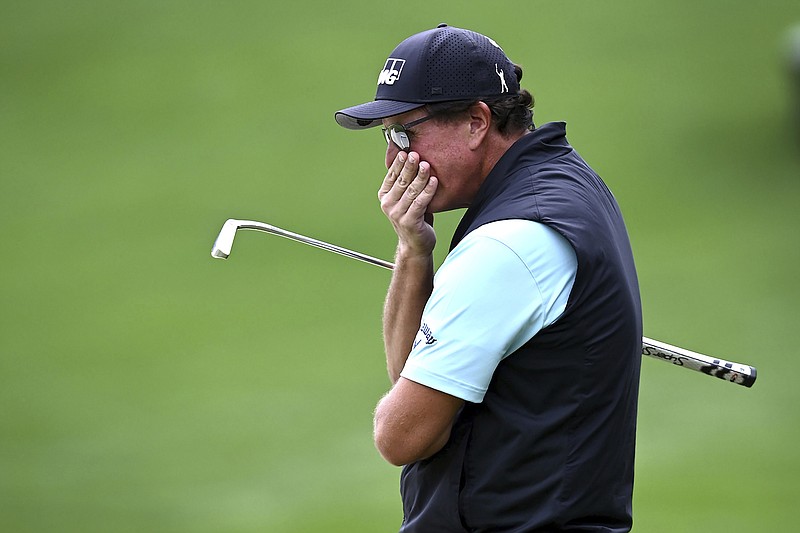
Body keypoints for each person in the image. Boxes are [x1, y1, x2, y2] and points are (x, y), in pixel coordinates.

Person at [335, 24, 642, 532]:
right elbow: (412, 369)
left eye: (404, 134)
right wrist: (414, 251)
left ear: (477, 122)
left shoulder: (507, 246)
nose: (393, 160)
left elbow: (402, 436)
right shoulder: (565, 180)